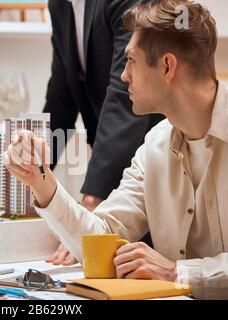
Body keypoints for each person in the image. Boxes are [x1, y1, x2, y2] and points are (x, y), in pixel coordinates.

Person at [5, 0, 228, 299]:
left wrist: (178, 272)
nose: (124, 75)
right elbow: (99, 236)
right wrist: (40, 181)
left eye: (131, 61)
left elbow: (176, 273)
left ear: (167, 66)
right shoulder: (153, 148)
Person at [44, 0, 163, 265]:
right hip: (108, 157)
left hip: (148, 156)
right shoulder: (58, 5)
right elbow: (60, 95)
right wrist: (33, 178)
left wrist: (92, 201)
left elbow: (124, 96)